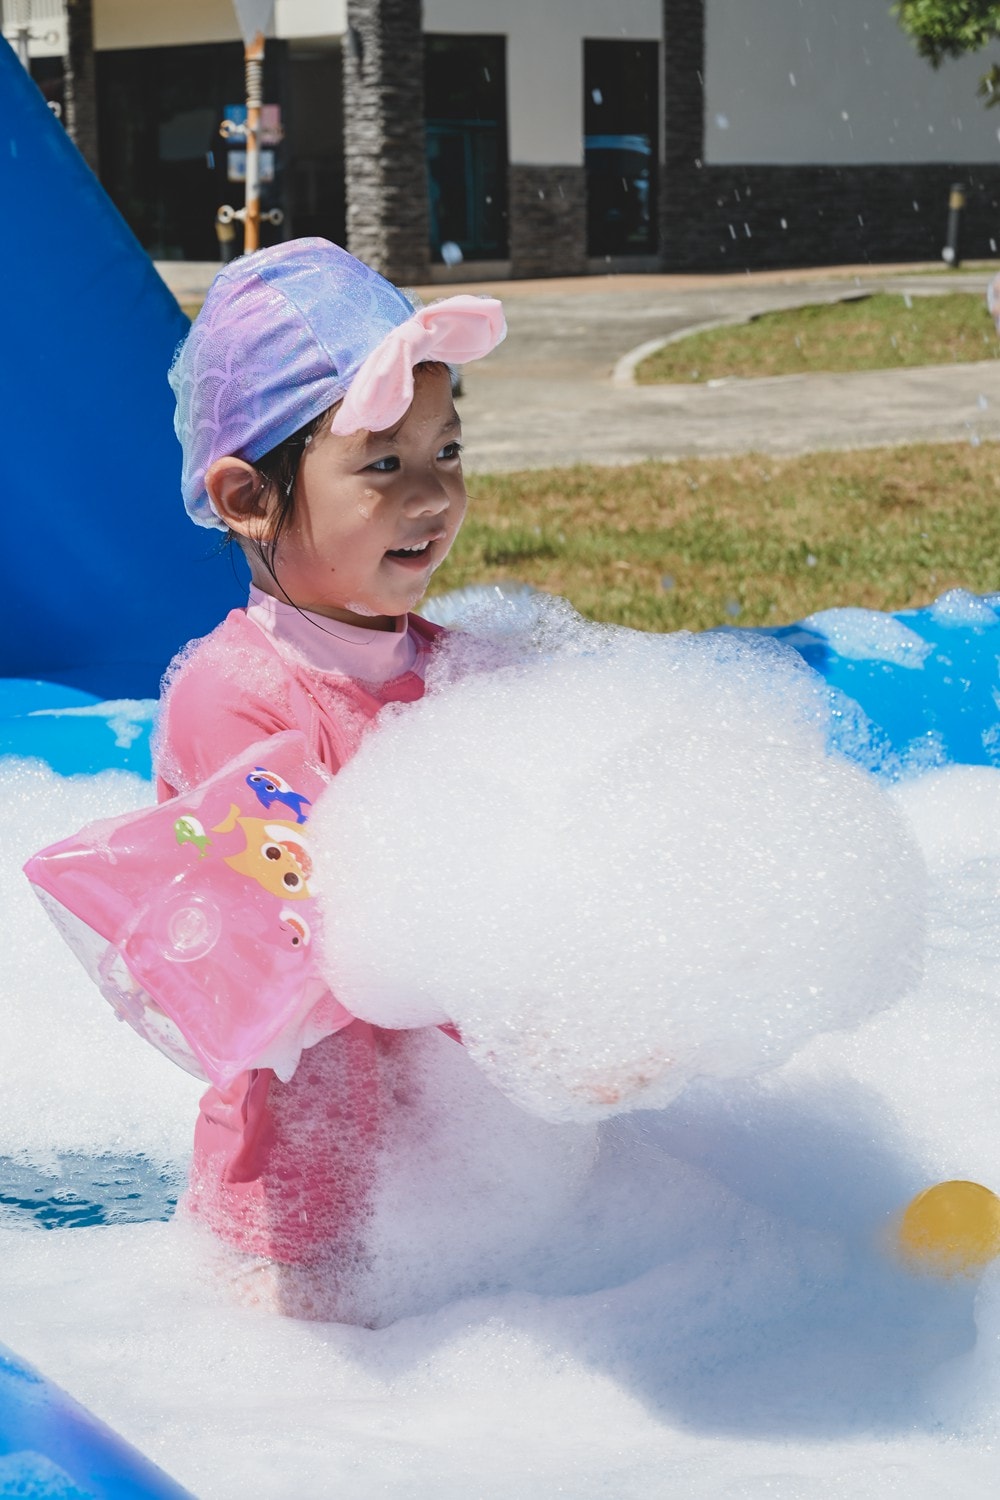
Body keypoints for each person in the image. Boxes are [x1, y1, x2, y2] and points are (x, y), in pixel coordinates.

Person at [155, 238, 505, 1318]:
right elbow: (310, 950)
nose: (435, 494)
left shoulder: (459, 666)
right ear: (248, 498)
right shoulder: (235, 697)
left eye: (447, 451)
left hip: (469, 1176)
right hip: (304, 1205)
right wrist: (524, 1023)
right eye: (384, 464)